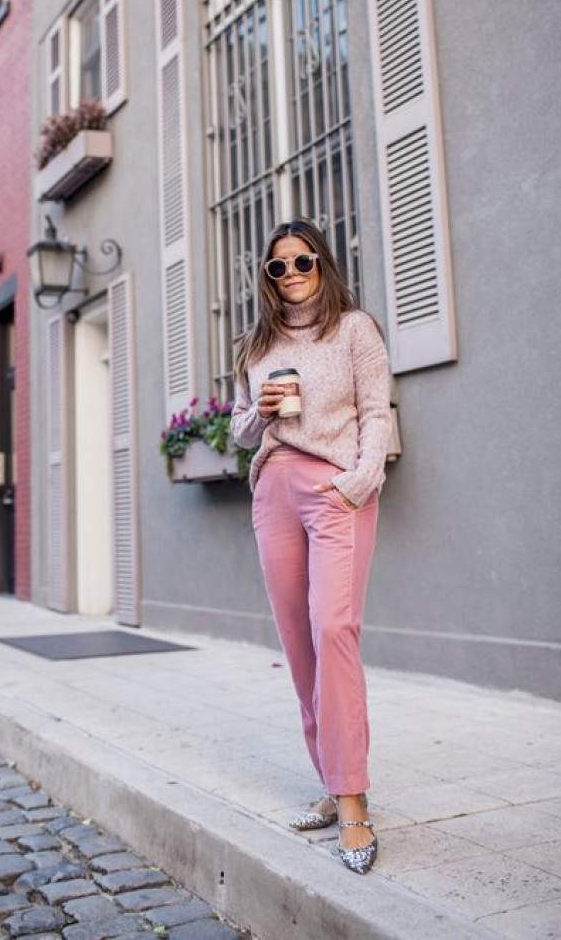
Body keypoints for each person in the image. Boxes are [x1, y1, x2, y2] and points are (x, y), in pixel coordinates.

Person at [230, 218, 391, 875]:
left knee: (334, 630)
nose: (292, 273)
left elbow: (377, 412)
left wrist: (358, 481)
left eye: (302, 261)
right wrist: (261, 412)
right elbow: (240, 432)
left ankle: (353, 802)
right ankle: (329, 783)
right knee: (299, 643)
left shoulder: (355, 329)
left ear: (322, 263)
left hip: (335, 493)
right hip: (273, 493)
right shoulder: (255, 344)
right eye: (279, 267)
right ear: (268, 279)